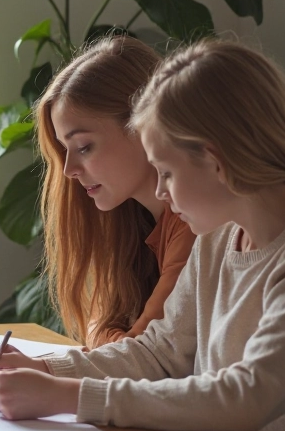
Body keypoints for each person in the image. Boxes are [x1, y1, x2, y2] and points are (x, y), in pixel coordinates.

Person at [0, 40, 285, 431]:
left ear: (215, 160)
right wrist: (46, 368)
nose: (160, 192)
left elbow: (246, 397)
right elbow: (159, 354)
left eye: (166, 172)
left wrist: (67, 396)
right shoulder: (220, 238)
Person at [36, 35, 194, 348]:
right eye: (64, 149)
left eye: (83, 146)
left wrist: (109, 341)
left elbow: (142, 355)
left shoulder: (194, 225)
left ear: (144, 126)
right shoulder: (132, 221)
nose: (69, 170)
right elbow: (103, 328)